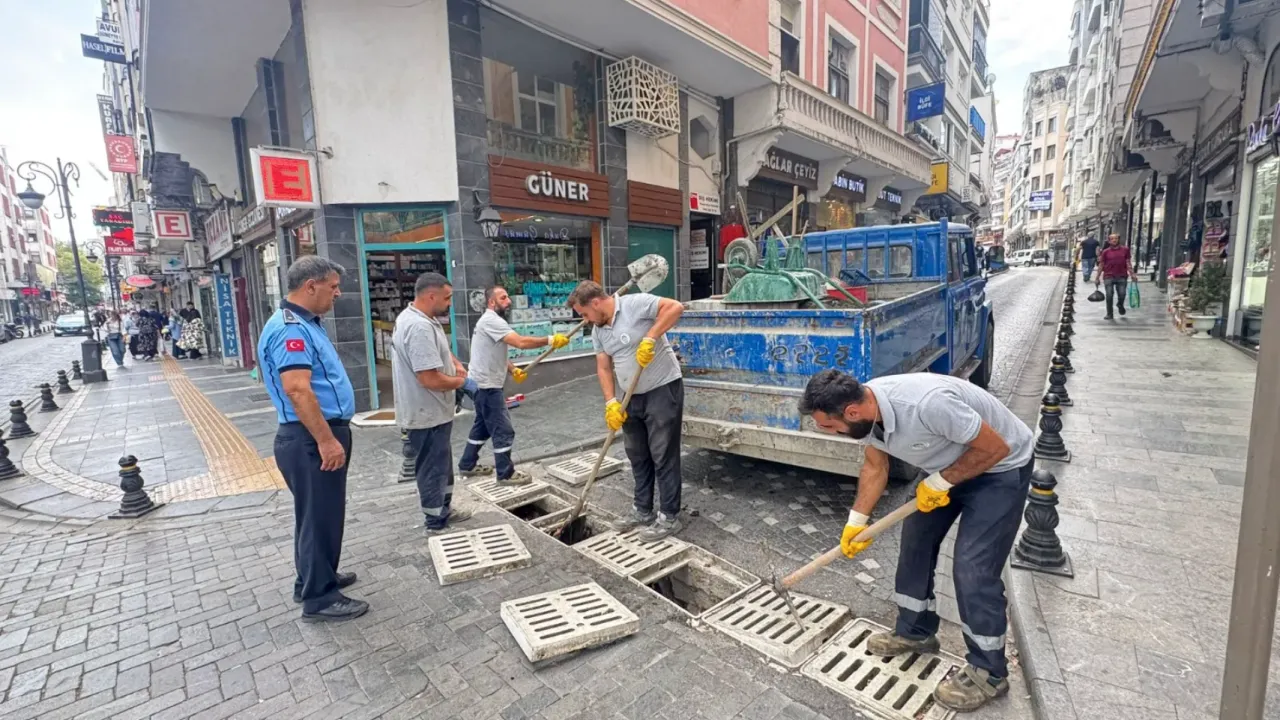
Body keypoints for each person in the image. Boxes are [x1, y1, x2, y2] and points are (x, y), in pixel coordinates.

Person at [799, 369, 1035, 713]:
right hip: (947, 467)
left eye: (829, 426)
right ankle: (915, 632)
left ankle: (990, 672)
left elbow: (996, 447)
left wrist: (941, 483)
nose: (829, 432)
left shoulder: (927, 404)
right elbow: (875, 467)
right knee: (914, 544)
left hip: (1001, 468)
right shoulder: (870, 413)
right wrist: (856, 522)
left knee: (972, 567)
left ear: (852, 412)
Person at [257, 256, 365, 622]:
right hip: (310, 437)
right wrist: (326, 440)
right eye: (333, 287)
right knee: (320, 516)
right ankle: (320, 599)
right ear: (311, 286)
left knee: (316, 515)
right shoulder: (291, 329)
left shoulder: (304, 323)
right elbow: (298, 390)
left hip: (311, 435)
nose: (338, 293)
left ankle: (313, 578)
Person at [568, 280, 686, 540]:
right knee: (637, 454)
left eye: (585, 314)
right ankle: (642, 510)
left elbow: (676, 307)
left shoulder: (636, 304)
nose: (585, 320)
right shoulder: (599, 331)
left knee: (662, 454)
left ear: (596, 303)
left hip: (662, 389)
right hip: (630, 396)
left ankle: (669, 516)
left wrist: (650, 338)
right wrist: (611, 401)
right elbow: (603, 367)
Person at [459, 286, 570, 485]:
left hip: (481, 383)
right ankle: (505, 474)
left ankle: (467, 464)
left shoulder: (490, 321)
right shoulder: (492, 321)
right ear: (492, 302)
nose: (508, 301)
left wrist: (511, 369)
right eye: (503, 298)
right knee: (503, 430)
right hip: (487, 386)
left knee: (483, 427)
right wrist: (550, 339)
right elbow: (520, 342)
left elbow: (494, 350)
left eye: (508, 297)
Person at [391, 272, 474, 534]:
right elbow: (428, 377)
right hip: (425, 412)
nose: (450, 303)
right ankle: (435, 522)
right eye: (447, 298)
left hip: (434, 411)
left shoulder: (422, 319)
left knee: (441, 465)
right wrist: (463, 384)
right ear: (431, 296)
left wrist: (455, 363)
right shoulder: (418, 327)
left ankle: (444, 509)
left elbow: (436, 350)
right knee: (431, 468)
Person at [1096, 233, 1137, 320]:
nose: (1114, 240)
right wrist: (1097, 277)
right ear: (1109, 241)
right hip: (1108, 275)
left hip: (1122, 275)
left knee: (1122, 294)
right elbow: (1101, 264)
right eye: (1112, 239)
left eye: (1116, 238)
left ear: (1119, 239)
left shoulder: (1125, 250)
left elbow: (1128, 262)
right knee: (1109, 295)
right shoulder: (1105, 252)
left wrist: (1132, 274)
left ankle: (1120, 304)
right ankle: (1109, 313)